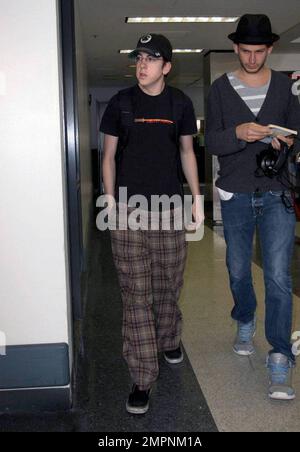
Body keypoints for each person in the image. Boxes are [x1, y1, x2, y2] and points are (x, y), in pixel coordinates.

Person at [100, 33, 203, 414]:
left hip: (169, 207)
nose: (142, 64)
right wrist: (109, 201)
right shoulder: (120, 103)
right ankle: (142, 376)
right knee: (135, 292)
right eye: (139, 57)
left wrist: (196, 199)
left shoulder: (181, 103)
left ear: (167, 66)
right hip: (129, 209)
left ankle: (169, 337)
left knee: (167, 285)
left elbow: (187, 151)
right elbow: (108, 155)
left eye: (151, 58)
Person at [205, 14, 300, 400]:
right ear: (235, 48)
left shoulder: (287, 87)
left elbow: (298, 137)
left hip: (277, 190)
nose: (252, 58)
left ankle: (279, 353)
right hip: (237, 191)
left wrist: (287, 143)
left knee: (278, 275)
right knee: (238, 269)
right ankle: (244, 315)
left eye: (259, 51)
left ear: (270, 49)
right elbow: (211, 140)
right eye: (245, 51)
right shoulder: (219, 89)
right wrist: (239, 134)